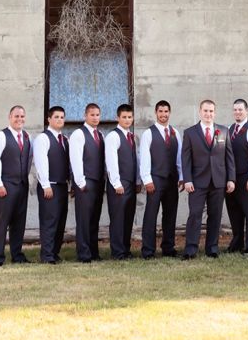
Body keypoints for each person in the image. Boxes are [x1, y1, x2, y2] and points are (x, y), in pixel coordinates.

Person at [181, 99, 236, 259]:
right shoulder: (190, 133)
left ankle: (212, 249)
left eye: (211, 111)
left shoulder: (224, 131)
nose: (208, 114)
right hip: (197, 182)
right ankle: (191, 249)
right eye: (205, 111)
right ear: (200, 112)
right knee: (195, 215)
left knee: (215, 215)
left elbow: (229, 158)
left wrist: (231, 179)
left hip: (218, 182)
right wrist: (187, 180)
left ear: (215, 112)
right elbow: (186, 159)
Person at [0, 105, 33, 266]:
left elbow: (27, 160)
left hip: (21, 185)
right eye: (16, 116)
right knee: (2, 222)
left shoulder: (27, 136)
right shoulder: (1, 137)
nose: (20, 119)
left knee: (19, 222)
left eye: (22, 116)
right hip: (5, 185)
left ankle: (17, 255)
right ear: (9, 117)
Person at [140, 100, 183, 259]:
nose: (163, 115)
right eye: (160, 112)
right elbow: (144, 158)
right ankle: (148, 250)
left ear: (170, 113)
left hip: (172, 180)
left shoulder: (175, 133)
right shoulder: (148, 133)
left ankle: (168, 248)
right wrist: (147, 180)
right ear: (155, 113)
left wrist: (182, 177)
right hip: (155, 180)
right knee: (151, 215)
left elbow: (178, 158)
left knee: (170, 215)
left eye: (166, 112)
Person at [224, 99, 248, 255]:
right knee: (234, 212)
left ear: (247, 110)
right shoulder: (229, 129)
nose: (237, 112)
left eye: (240, 110)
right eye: (235, 110)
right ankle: (237, 243)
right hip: (232, 179)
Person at [33, 105, 70, 264]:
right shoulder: (43, 138)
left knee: (60, 221)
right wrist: (45, 184)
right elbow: (41, 163)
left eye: (62, 117)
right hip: (50, 186)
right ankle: (47, 256)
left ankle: (55, 253)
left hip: (62, 185)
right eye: (56, 117)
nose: (59, 120)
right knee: (49, 222)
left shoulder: (64, 139)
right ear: (49, 119)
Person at [69, 102, 105, 263]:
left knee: (94, 219)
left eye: (97, 115)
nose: (95, 118)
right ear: (85, 115)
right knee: (83, 219)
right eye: (92, 115)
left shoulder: (101, 135)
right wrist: (80, 182)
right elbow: (75, 159)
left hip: (98, 182)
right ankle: (83, 254)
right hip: (85, 182)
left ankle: (93, 252)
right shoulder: (79, 134)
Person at [105, 103, 141, 260]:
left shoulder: (130, 136)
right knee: (118, 219)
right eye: (124, 117)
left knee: (128, 218)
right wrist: (116, 183)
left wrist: (137, 181)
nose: (127, 120)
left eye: (129, 117)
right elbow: (111, 161)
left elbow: (135, 160)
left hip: (131, 183)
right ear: (117, 118)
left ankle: (126, 250)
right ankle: (117, 252)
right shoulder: (113, 136)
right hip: (119, 184)